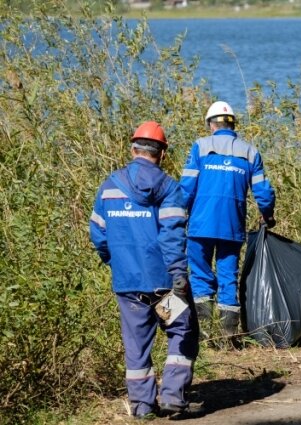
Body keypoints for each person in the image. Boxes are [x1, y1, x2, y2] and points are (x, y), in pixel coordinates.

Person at [89, 121, 200, 419]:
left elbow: (98, 235)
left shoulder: (109, 186)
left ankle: (141, 406)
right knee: (180, 329)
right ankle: (173, 397)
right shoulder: (168, 188)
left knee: (136, 344)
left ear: (132, 148)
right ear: (162, 154)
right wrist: (179, 276)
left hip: (128, 286)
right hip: (163, 286)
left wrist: (117, 262)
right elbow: (172, 236)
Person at [180, 100, 276, 340]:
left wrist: (178, 215)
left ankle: (203, 335)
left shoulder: (200, 147)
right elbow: (263, 192)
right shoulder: (250, 151)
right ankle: (227, 337)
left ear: (211, 124)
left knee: (200, 276)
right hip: (232, 226)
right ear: (233, 125)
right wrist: (268, 214)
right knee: (228, 277)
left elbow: (186, 188)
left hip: (200, 225)